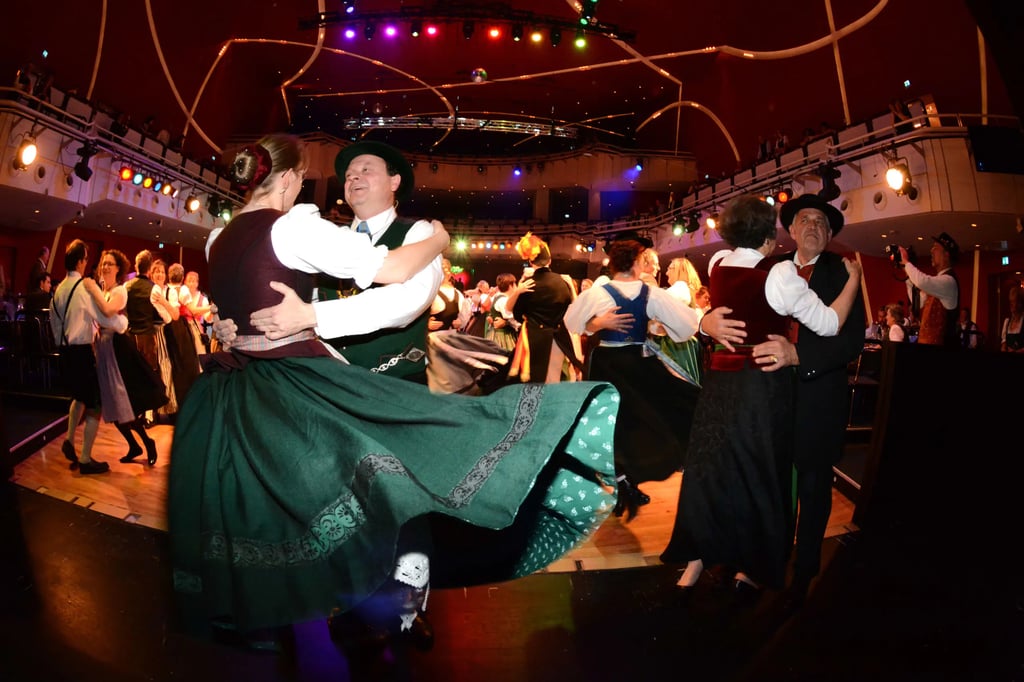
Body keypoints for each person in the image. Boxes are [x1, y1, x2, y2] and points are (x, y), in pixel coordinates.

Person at [170, 134, 619, 655]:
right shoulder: (317, 233)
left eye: (366, 169)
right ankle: (344, 599)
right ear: (293, 178)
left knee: (404, 499)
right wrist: (258, 325)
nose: (354, 178)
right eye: (348, 172)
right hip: (320, 387)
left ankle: (405, 608)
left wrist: (307, 317)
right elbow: (282, 297)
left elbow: (403, 304)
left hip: (381, 382)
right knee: (329, 501)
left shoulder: (417, 230)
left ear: (395, 181)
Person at [660, 194, 862, 599]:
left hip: (814, 396)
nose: (813, 227)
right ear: (785, 230)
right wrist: (705, 323)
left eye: (822, 222)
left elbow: (850, 340)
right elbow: (729, 312)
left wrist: (797, 354)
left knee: (810, 486)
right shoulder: (772, 269)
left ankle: (802, 574)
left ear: (831, 233)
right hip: (762, 398)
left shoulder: (841, 272)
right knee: (754, 478)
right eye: (805, 219)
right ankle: (753, 559)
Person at [564, 234, 702, 520]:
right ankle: (624, 483)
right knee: (639, 423)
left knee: (618, 427)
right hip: (630, 365)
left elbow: (570, 321)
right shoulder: (650, 293)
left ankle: (624, 482)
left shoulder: (600, 292)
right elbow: (687, 325)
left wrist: (594, 324)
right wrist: (599, 323)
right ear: (638, 262)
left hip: (611, 363)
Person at [48, 239, 129, 475]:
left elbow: (54, 323)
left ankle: (70, 440)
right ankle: (85, 459)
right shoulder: (83, 287)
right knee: (95, 406)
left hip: (64, 352)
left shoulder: (60, 287)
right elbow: (103, 318)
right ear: (82, 261)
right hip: (81, 352)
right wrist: (123, 323)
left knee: (79, 397)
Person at [82, 249, 164, 465]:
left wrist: (91, 290)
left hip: (119, 352)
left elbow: (108, 312)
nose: (105, 267)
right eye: (103, 263)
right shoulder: (105, 291)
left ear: (119, 268)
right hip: (104, 349)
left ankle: (147, 443)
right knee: (111, 405)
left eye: (110, 263)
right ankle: (135, 445)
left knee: (124, 405)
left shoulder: (119, 291)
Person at [505, 233, 583, 384]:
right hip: (558, 337)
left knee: (531, 383)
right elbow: (574, 308)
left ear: (530, 262)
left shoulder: (528, 284)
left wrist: (518, 290)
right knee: (552, 380)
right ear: (550, 260)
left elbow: (515, 313)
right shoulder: (563, 282)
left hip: (533, 339)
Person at [899, 232, 959, 347]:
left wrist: (906, 262)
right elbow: (918, 302)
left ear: (946, 255)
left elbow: (922, 281)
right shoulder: (939, 283)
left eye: (935, 248)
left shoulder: (948, 282)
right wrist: (905, 270)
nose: (931, 251)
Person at [1001, 284, 1024, 352]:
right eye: (1011, 301)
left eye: (1014, 301)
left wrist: (1017, 351)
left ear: (1021, 303)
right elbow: (1003, 343)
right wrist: (1004, 347)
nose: (1012, 304)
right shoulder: (1007, 321)